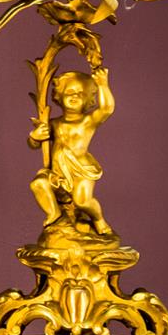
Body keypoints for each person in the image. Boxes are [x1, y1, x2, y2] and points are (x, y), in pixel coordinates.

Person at [30, 62, 113, 235]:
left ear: (89, 100)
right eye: (69, 92)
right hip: (58, 172)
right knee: (38, 184)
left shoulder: (87, 122)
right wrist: (35, 136)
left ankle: (99, 219)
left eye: (80, 94)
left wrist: (103, 85)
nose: (75, 96)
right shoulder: (53, 123)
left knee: (83, 201)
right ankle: (55, 215)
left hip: (81, 171)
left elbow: (106, 109)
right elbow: (35, 144)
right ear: (59, 96)